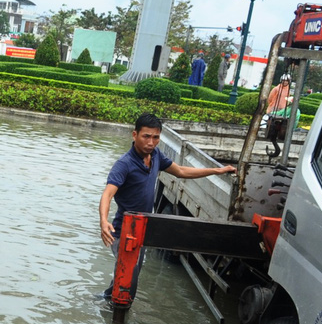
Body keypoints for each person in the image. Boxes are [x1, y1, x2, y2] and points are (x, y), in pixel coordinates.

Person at [98, 113, 235, 300]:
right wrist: (103, 221)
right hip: (125, 230)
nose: (151, 142)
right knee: (129, 277)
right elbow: (108, 194)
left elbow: (180, 171)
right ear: (134, 135)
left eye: (156, 137)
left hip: (144, 228)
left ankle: (107, 301)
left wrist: (218, 170)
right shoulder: (124, 164)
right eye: (146, 136)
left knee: (131, 275)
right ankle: (112, 306)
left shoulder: (155, 156)